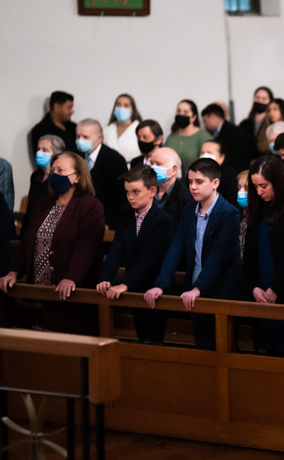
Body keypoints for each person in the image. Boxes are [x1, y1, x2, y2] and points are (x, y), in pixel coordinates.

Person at [144, 158, 246, 351]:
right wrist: (161, 284)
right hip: (195, 289)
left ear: (215, 183)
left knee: (225, 349)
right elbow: (176, 247)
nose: (193, 187)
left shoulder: (229, 213)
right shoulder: (189, 209)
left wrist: (198, 288)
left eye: (199, 182)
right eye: (190, 182)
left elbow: (219, 255)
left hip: (223, 290)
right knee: (202, 347)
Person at [0, 152, 105, 335]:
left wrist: (71, 277)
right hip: (39, 291)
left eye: (61, 170)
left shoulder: (90, 206)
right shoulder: (44, 204)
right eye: (53, 169)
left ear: (77, 177)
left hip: (69, 293)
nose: (54, 174)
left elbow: (87, 247)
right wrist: (13, 271)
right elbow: (27, 242)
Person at [96, 167, 176, 344]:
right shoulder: (126, 216)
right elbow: (116, 250)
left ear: (152, 191)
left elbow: (151, 258)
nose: (130, 197)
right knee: (140, 337)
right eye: (127, 192)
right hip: (134, 288)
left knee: (152, 341)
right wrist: (106, 278)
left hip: (155, 289)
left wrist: (125, 284)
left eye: (136, 192)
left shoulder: (164, 220)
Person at [243, 155, 284, 355]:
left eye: (263, 185)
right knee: (265, 349)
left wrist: (276, 288)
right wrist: (254, 286)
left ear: (278, 182)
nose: (259, 191)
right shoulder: (259, 206)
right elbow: (249, 253)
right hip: (261, 289)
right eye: (255, 187)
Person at [76, 118, 128, 230]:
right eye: (78, 136)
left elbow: (120, 197)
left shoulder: (115, 160)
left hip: (103, 222)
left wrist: (108, 222)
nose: (80, 140)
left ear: (100, 137)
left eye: (85, 137)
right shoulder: (75, 157)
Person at [23, 135, 66, 236]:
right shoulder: (36, 176)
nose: (39, 153)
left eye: (45, 150)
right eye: (38, 149)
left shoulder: (61, 178)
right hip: (31, 230)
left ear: (56, 154)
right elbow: (30, 208)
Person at [164, 100, 212, 178]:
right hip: (172, 182)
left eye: (185, 112)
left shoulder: (204, 137)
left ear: (194, 117)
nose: (181, 114)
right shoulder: (171, 137)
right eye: (178, 111)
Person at [149, 147, 193, 227]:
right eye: (151, 163)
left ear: (174, 169)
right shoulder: (146, 190)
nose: (153, 167)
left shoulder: (185, 198)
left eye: (158, 164)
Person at [201, 103, 248, 170]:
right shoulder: (219, 132)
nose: (205, 124)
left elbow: (234, 157)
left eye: (205, 121)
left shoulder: (232, 132)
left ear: (213, 116)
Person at [30, 91, 77, 156]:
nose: (72, 111)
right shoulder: (40, 131)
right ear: (56, 107)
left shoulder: (74, 127)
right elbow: (43, 160)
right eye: (69, 108)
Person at [104, 93, 142, 164]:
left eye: (126, 105)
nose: (121, 108)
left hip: (133, 169)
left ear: (133, 110)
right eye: (118, 105)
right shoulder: (107, 130)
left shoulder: (140, 129)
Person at [199, 140, 239, 207]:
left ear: (222, 157)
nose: (205, 155)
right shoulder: (195, 173)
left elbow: (232, 201)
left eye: (209, 153)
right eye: (202, 153)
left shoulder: (230, 174)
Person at [239, 86, 273, 161]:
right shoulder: (244, 124)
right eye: (257, 98)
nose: (260, 101)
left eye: (264, 99)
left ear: (270, 101)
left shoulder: (272, 125)